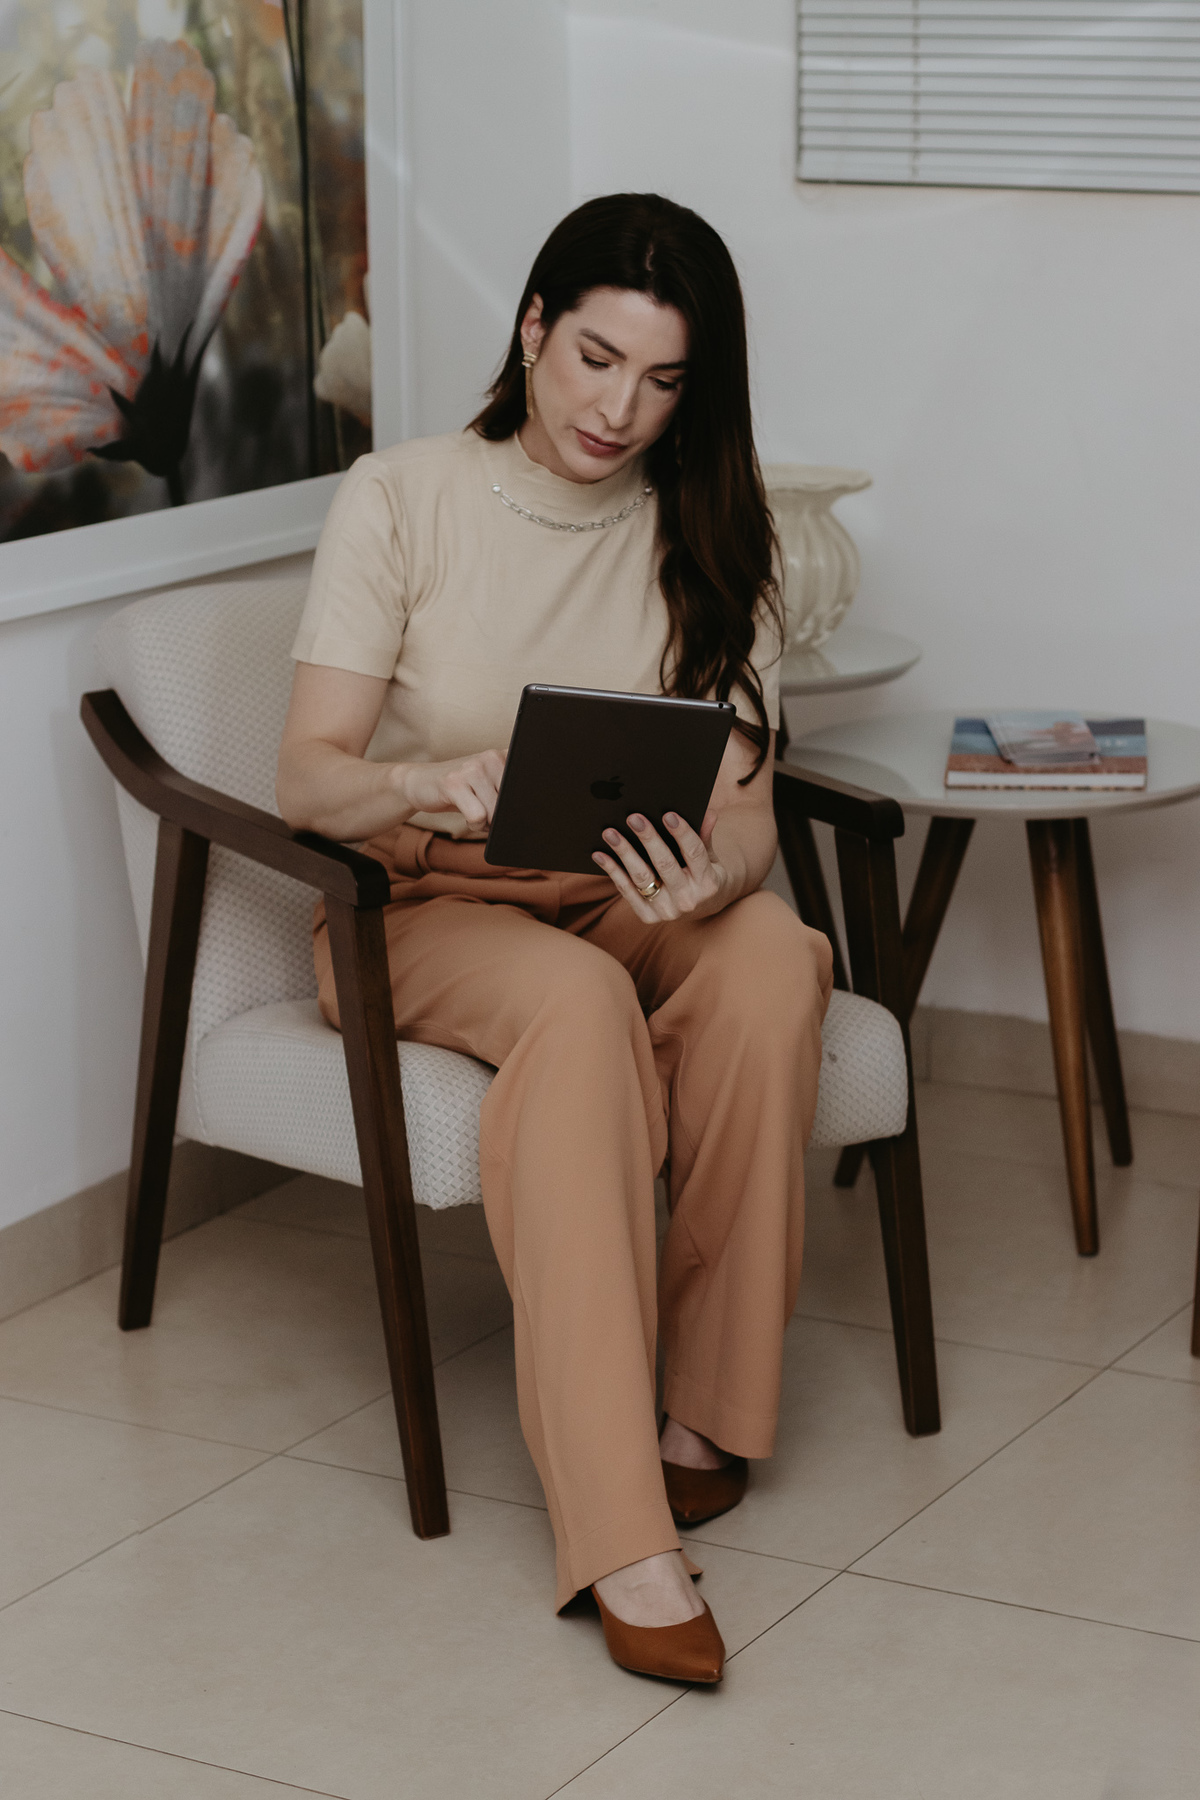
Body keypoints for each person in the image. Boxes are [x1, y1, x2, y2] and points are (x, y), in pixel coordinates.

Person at [276, 192, 833, 1685]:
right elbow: (307, 779)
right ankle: (618, 1527)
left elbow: (750, 814)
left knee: (772, 960)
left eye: (661, 381)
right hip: (417, 905)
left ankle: (705, 1414)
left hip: (618, 895)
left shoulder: (712, 533)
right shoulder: (403, 496)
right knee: (579, 1003)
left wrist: (711, 882)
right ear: (533, 328)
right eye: (595, 358)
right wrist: (418, 783)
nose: (618, 410)